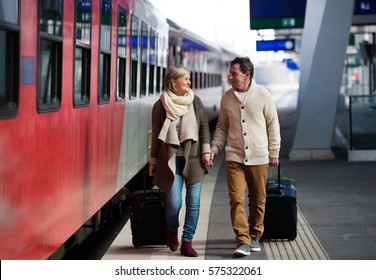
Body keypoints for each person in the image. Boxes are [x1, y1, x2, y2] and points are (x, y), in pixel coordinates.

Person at [210, 57, 281, 257]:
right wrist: (215, 148)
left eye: (234, 73)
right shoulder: (227, 97)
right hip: (234, 156)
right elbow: (222, 126)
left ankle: (255, 235)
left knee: (258, 199)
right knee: (236, 199)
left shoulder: (263, 95)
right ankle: (243, 240)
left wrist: (274, 152)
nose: (230, 77)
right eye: (230, 73)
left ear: (247, 75)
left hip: (259, 156)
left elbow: (272, 124)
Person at [148, 65, 212, 257]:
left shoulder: (195, 101)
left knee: (194, 201)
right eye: (186, 79)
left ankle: (187, 241)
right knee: (174, 203)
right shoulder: (160, 105)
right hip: (171, 159)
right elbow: (156, 137)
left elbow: (203, 127)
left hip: (193, 158)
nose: (189, 82)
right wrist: (153, 161)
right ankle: (171, 229)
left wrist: (206, 151)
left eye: (189, 79)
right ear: (173, 81)